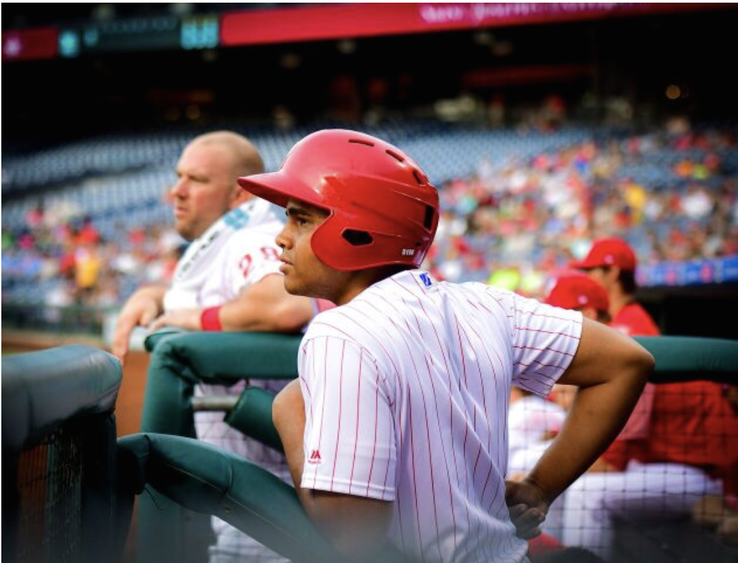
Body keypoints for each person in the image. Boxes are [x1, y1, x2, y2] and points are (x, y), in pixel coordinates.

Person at [238, 129, 654, 563]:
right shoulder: (485, 302)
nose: (281, 238)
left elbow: (352, 535)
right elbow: (625, 362)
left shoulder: (340, 332)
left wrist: (289, 415)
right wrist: (540, 487)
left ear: (357, 231)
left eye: (301, 219)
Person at [112, 131, 315, 563]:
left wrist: (192, 319)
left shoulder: (251, 237)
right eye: (178, 176)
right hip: (259, 504)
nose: (176, 191)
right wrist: (158, 295)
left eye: (197, 180)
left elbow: (284, 305)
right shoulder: (233, 242)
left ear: (239, 192)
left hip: (264, 512)